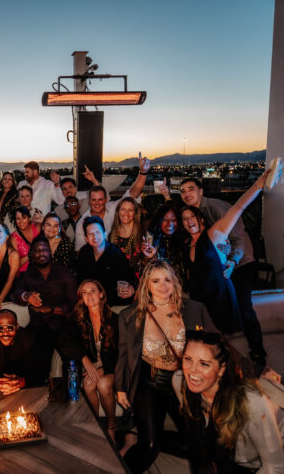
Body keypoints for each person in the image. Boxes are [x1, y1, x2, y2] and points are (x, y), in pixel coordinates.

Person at [176, 330, 284, 474]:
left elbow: (275, 469)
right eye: (188, 359)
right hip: (250, 463)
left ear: (221, 369)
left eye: (204, 363)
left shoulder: (251, 402)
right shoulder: (182, 384)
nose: (192, 370)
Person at [115, 261, 217, 472]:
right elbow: (123, 355)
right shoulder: (131, 315)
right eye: (156, 281)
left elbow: (219, 346)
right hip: (150, 382)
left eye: (167, 280)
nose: (163, 286)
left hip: (186, 383)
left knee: (197, 445)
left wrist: (254, 369)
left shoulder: (195, 310)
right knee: (149, 446)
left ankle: (141, 438)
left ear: (175, 282)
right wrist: (121, 387)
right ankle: (122, 467)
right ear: (147, 285)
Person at [180, 176, 268, 370]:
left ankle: (257, 353)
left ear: (201, 191)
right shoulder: (189, 239)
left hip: (242, 263)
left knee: (243, 308)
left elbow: (239, 227)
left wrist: (232, 260)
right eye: (183, 191)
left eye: (191, 189)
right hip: (217, 272)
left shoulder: (216, 209)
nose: (186, 194)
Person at [11, 236, 78, 384]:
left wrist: (52, 309)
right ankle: (34, 393)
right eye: (37, 250)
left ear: (50, 252)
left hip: (63, 324)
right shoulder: (27, 274)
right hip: (38, 326)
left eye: (44, 249)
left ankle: (72, 395)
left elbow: (76, 304)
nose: (41, 253)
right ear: (32, 254)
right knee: (28, 355)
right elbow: (15, 294)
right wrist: (26, 295)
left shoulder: (63, 273)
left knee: (71, 357)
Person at [56, 280, 119, 439]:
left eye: (92, 290)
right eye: (84, 292)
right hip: (92, 364)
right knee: (88, 384)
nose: (89, 295)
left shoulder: (115, 319)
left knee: (103, 384)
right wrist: (83, 358)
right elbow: (62, 340)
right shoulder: (77, 318)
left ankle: (112, 425)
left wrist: (104, 369)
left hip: (114, 367)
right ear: (81, 297)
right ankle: (94, 424)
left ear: (101, 294)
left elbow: (123, 353)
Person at [73, 155, 151, 250]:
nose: (97, 203)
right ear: (89, 201)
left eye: (100, 199)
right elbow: (79, 252)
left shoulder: (113, 208)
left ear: (106, 200)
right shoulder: (82, 223)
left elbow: (134, 193)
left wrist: (143, 173)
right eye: (94, 200)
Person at [76, 216, 137, 307]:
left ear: (104, 234)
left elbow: (130, 277)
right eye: (90, 233)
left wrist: (132, 289)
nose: (95, 236)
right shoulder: (84, 253)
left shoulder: (116, 254)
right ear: (86, 238)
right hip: (90, 301)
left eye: (98, 232)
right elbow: (80, 280)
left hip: (113, 302)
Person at [0, 309, 36, 394]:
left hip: (23, 385)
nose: (5, 333)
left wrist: (18, 383)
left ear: (17, 326)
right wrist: (0, 385)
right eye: (0, 328)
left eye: (10, 328)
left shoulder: (28, 338)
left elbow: (37, 372)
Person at [147, 203, 187, 290]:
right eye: (165, 219)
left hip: (183, 292)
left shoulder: (185, 241)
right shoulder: (150, 242)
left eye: (174, 220)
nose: (170, 224)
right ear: (158, 221)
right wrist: (152, 257)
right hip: (161, 291)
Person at [109, 197, 149, 278]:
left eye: (130, 210)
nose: (126, 213)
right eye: (123, 209)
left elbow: (151, 263)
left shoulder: (143, 235)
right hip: (118, 284)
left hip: (139, 284)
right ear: (118, 211)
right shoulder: (112, 235)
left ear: (135, 213)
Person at [10, 206, 41, 273]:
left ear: (29, 218)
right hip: (24, 273)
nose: (21, 221)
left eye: (23, 217)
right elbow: (15, 265)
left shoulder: (37, 227)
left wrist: (40, 219)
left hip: (41, 270)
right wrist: (30, 254)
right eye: (18, 219)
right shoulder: (14, 238)